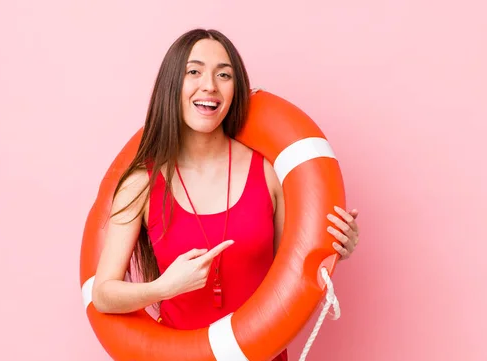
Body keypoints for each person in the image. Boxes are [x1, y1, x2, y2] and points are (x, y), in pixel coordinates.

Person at [91, 28, 360, 361]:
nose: (210, 85)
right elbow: (103, 294)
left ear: (235, 90)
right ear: (172, 85)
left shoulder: (267, 172)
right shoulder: (141, 185)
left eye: (224, 75)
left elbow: (292, 268)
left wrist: (332, 248)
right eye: (194, 71)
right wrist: (163, 288)